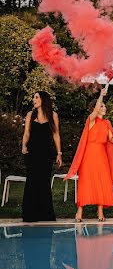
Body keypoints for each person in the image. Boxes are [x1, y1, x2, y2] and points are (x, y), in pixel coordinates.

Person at [66, 86, 113, 222]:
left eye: (104, 106)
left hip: (101, 156)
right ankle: (79, 212)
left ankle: (100, 212)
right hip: (89, 155)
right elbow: (95, 109)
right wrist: (101, 96)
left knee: (102, 182)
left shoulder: (107, 123)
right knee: (86, 182)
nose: (104, 108)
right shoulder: (91, 120)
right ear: (96, 108)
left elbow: (111, 139)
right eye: (102, 106)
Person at [21, 91, 61, 222]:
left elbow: (56, 135)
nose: (34, 100)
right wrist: (24, 146)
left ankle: (45, 214)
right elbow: (26, 133)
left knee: (44, 181)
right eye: (34, 97)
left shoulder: (53, 115)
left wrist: (59, 153)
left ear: (43, 100)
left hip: (46, 153)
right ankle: (30, 214)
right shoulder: (30, 115)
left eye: (36, 97)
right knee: (32, 181)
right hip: (32, 153)